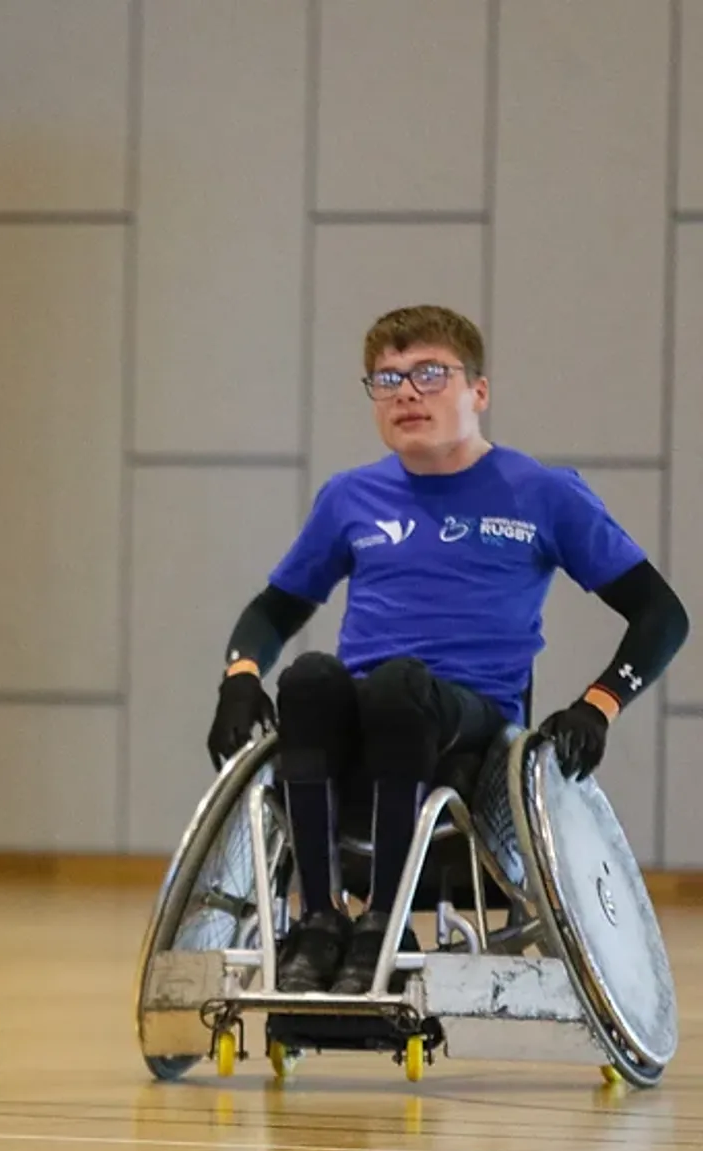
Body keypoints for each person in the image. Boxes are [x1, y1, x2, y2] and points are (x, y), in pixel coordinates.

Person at [205, 305, 688, 994]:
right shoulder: (350, 497)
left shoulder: (541, 493)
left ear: (479, 392)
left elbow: (660, 614)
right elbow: (274, 609)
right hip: (364, 709)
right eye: (387, 378)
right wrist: (240, 675)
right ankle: (317, 920)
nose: (406, 391)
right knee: (310, 678)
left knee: (399, 685)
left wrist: (600, 704)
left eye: (430, 373)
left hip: (472, 715)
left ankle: (381, 922)